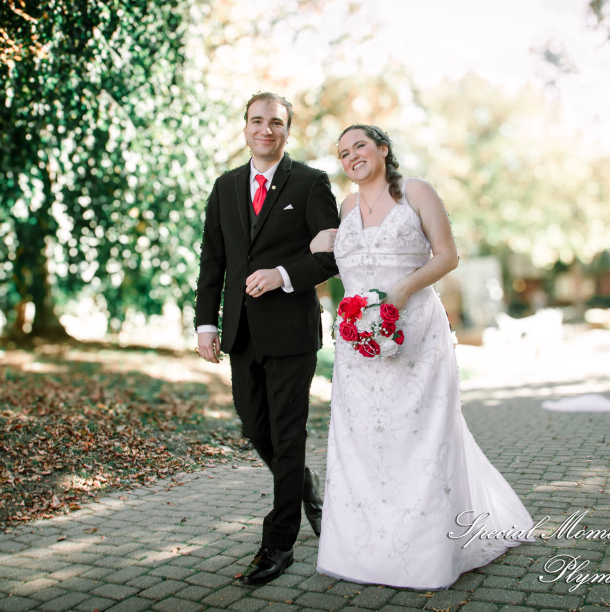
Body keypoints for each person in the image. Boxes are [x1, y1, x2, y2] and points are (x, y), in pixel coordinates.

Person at [310, 125, 535, 590]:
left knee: (419, 435)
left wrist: (403, 288)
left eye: (360, 147)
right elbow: (355, 263)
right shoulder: (347, 207)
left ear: (383, 150)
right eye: (344, 152)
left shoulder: (416, 192)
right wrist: (323, 245)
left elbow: (447, 255)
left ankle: (426, 551)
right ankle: (364, 549)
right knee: (364, 440)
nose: (352, 156)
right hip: (358, 342)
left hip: (416, 334)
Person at [194, 92, 340, 585]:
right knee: (256, 428)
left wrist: (282, 273)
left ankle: (278, 543)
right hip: (240, 332)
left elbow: (331, 255)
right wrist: (206, 323)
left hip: (292, 332)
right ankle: (304, 484)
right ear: (245, 129)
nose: (266, 130)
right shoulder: (226, 186)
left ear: (287, 130)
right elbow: (212, 260)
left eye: (276, 123)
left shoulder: (312, 183)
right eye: (257, 121)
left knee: (287, 430)